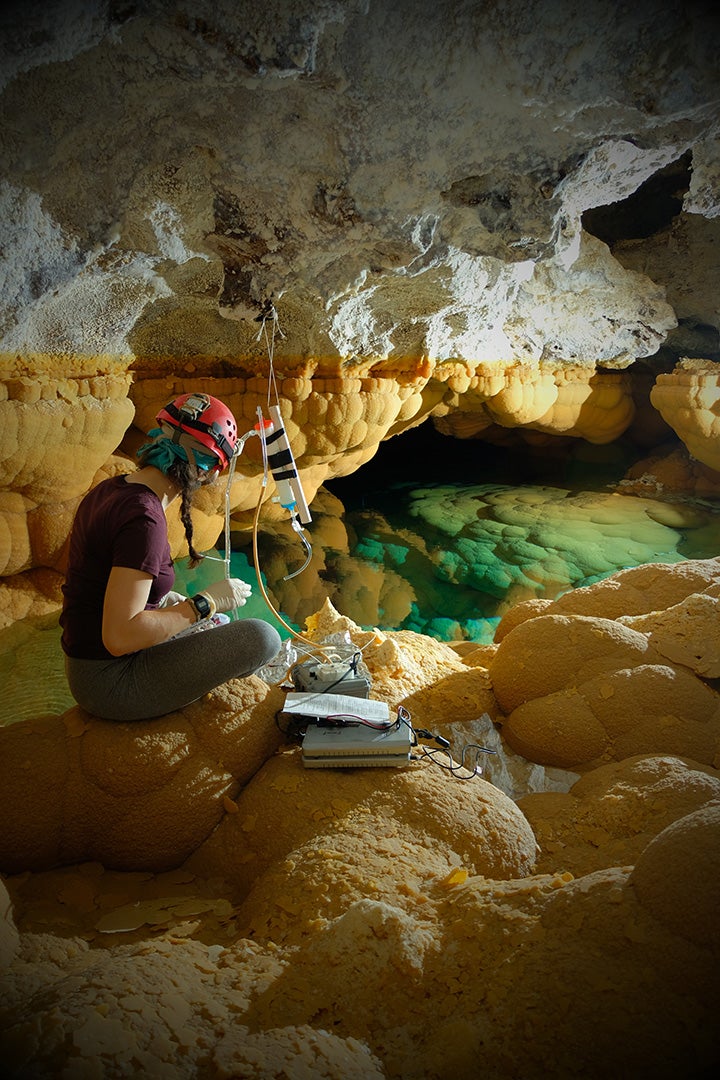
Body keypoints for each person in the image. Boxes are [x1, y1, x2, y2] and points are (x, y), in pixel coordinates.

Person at [60, 392, 282, 721]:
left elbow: (102, 587)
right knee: (262, 637)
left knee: (207, 627)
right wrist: (204, 604)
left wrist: (169, 604)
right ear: (204, 468)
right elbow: (119, 637)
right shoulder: (144, 520)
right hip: (110, 683)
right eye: (214, 470)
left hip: (86, 664)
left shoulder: (113, 489)